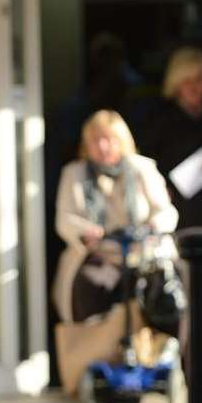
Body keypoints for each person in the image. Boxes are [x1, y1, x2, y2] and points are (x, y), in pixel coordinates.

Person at [139, 46, 202, 378]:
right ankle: (180, 361)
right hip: (177, 214)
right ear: (177, 84)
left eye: (199, 81)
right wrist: (160, 187)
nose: (195, 88)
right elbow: (146, 162)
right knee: (178, 290)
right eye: (188, 82)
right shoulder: (162, 120)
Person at [53, 110, 178, 325]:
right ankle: (94, 350)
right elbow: (64, 220)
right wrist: (85, 233)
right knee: (88, 289)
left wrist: (153, 225)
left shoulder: (142, 167)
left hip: (142, 253)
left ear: (121, 141)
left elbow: (167, 212)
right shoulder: (74, 172)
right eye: (95, 141)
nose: (102, 147)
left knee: (165, 292)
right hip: (99, 254)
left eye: (108, 140)